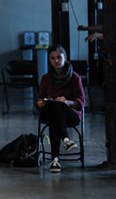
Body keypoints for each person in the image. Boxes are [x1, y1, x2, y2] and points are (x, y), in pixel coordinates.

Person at [36, 44, 85, 173]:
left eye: (59, 57)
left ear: (65, 58)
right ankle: (66, 139)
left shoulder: (75, 78)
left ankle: (55, 160)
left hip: (70, 113)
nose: (56, 61)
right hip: (50, 110)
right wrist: (40, 103)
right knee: (54, 107)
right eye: (52, 58)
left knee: (55, 114)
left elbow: (81, 102)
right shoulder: (46, 78)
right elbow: (40, 98)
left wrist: (67, 102)